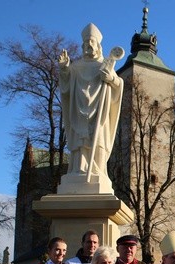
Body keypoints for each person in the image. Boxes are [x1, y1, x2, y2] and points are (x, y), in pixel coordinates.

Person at [59, 23, 123, 185]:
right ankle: (78, 171)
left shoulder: (105, 65)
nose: (88, 45)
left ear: (98, 45)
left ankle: (98, 171)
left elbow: (118, 84)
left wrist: (111, 79)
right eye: (86, 43)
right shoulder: (76, 67)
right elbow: (66, 88)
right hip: (79, 112)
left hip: (99, 114)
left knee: (98, 140)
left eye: (92, 42)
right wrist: (64, 69)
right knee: (80, 144)